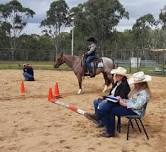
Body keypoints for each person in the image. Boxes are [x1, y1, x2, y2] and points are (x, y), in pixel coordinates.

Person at [101, 71, 152, 137]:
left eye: (136, 83)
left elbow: (137, 106)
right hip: (132, 109)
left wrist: (124, 103)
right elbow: (133, 101)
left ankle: (110, 132)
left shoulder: (144, 93)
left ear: (141, 83)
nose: (134, 84)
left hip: (135, 112)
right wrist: (125, 100)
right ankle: (109, 129)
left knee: (111, 110)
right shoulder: (139, 90)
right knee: (111, 109)